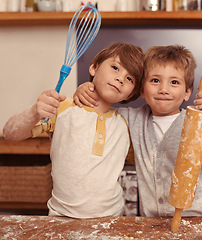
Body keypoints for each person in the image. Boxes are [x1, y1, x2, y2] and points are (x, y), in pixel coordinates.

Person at [73, 45, 202, 217]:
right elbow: (100, 108)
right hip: (152, 222)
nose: (163, 89)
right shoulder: (130, 119)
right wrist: (87, 89)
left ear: (187, 92)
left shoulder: (195, 122)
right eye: (155, 80)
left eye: (174, 82)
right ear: (141, 89)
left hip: (197, 218)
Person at [3, 42, 144, 218]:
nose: (120, 78)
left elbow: (144, 162)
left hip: (111, 219)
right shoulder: (64, 108)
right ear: (94, 67)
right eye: (115, 67)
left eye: (130, 79)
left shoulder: (124, 125)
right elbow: (10, 134)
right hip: (61, 216)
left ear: (130, 94)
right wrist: (34, 112)